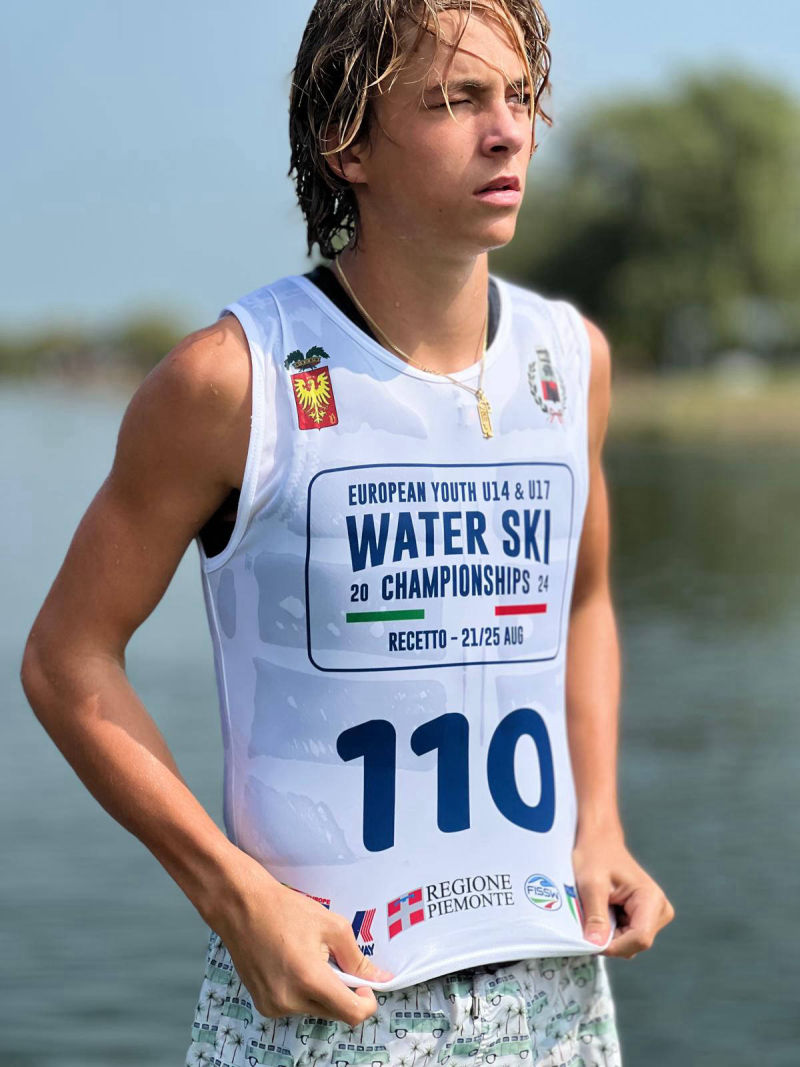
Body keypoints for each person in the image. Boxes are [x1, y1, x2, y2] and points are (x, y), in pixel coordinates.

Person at [21, 1, 675, 1064]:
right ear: (347, 144)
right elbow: (65, 657)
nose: (505, 132)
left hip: (555, 986)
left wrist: (598, 823)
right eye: (455, 100)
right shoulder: (229, 379)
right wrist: (232, 895)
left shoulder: (571, 360)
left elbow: (584, 599)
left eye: (517, 98)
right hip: (328, 1006)